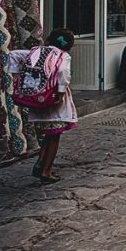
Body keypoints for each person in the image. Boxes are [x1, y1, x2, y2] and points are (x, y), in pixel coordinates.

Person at [9, 29, 77, 184]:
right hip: (53, 101)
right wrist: (60, 93)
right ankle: (46, 171)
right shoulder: (63, 56)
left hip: (37, 99)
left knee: (48, 134)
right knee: (54, 136)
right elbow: (64, 73)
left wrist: (16, 76)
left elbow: (13, 55)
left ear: (48, 40)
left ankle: (41, 161)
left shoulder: (35, 51)